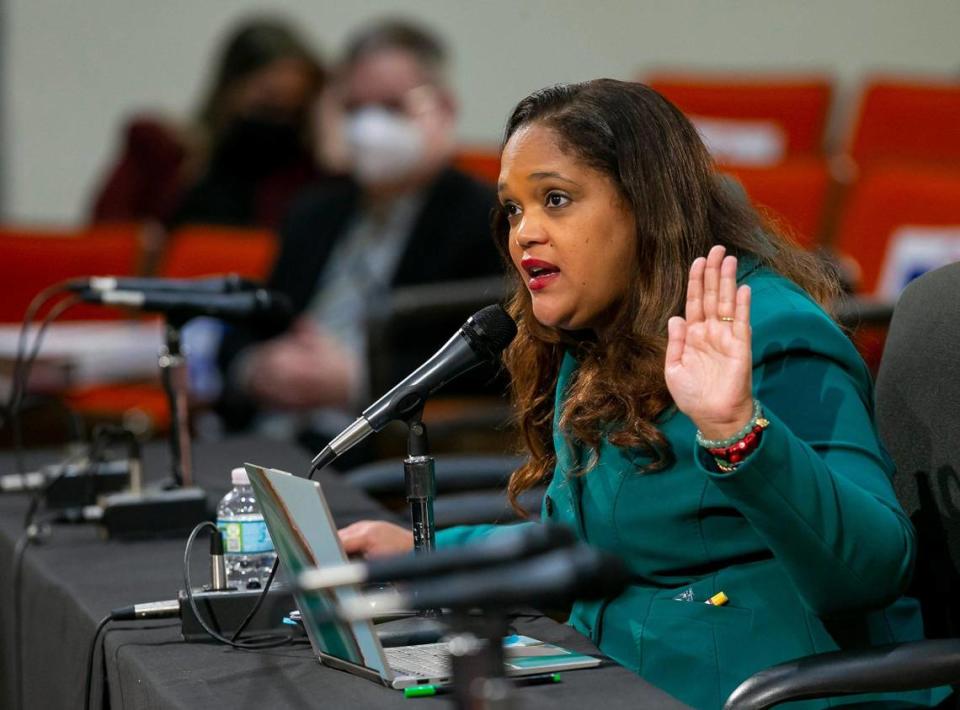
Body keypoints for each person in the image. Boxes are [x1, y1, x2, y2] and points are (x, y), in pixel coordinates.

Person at [337, 80, 949, 709]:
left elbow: (873, 566)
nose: (524, 234)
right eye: (514, 209)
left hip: (767, 691)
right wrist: (421, 552)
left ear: (645, 206)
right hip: (616, 676)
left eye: (555, 199)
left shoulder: (766, 331)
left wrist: (737, 429)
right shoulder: (599, 338)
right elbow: (582, 542)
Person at [215, 19, 502, 441]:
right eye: (354, 109)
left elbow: (497, 361)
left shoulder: (486, 217)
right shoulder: (313, 210)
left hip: (380, 442)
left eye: (391, 107)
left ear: (443, 110)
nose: (369, 128)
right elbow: (253, 321)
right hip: (265, 432)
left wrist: (358, 377)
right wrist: (256, 367)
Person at [90, 16, 325, 230]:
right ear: (229, 88)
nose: (279, 119)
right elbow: (108, 236)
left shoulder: (310, 171)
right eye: (268, 100)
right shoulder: (162, 151)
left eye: (296, 108)